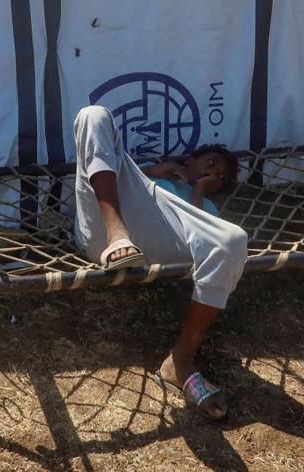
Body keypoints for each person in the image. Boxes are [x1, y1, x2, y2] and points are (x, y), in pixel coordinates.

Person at [72, 104, 248, 420]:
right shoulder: (146, 173)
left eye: (219, 176)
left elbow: (200, 242)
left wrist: (196, 190)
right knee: (93, 115)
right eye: (210, 163)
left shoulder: (205, 204)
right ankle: (117, 234)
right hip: (106, 226)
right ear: (190, 160)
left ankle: (179, 362)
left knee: (233, 241)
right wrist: (155, 172)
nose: (213, 172)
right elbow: (110, 168)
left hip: (160, 239)